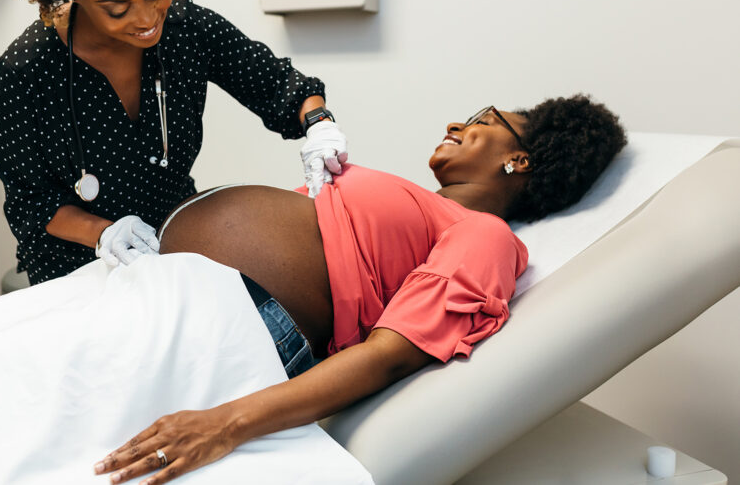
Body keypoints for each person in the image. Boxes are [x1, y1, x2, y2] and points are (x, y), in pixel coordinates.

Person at [92, 94, 627, 484]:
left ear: (521, 159)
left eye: (483, 118)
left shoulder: (485, 236)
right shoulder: (424, 205)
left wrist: (225, 425)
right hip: (161, 290)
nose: (455, 121)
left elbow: (388, 356)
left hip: (238, 327)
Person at [0, 0, 348, 285]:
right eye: (117, 9)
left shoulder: (185, 30)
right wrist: (105, 232)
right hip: (76, 265)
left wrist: (319, 125)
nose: (147, 20)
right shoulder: (28, 70)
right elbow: (32, 203)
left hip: (174, 243)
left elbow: (280, 85)